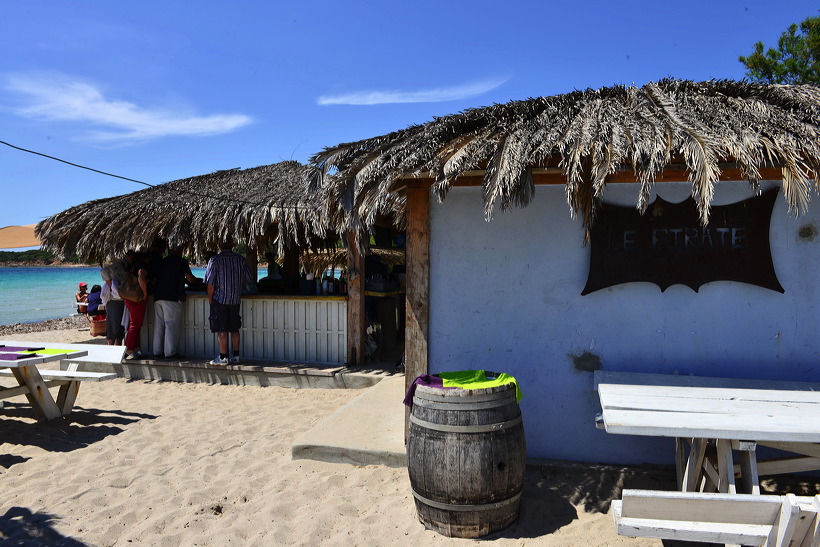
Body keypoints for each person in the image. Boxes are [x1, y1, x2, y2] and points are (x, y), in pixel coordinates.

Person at [204, 237, 253, 365]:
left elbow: (210, 283)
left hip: (219, 299)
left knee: (222, 329)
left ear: (219, 245)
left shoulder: (214, 260)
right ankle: (236, 356)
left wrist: (210, 298)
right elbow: (249, 279)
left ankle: (223, 356)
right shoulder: (240, 260)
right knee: (234, 329)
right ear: (233, 245)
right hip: (235, 299)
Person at [152, 246, 196, 359]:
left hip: (158, 296)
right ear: (179, 250)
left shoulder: (162, 262)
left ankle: (157, 351)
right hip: (172, 297)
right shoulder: (181, 261)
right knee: (171, 325)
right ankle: (170, 353)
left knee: (159, 326)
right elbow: (190, 279)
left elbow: (154, 280)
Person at [123, 251, 150, 360]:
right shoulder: (142, 266)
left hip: (128, 297)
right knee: (135, 325)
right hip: (137, 298)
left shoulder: (131, 265)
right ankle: (129, 348)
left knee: (136, 324)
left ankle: (136, 348)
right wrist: (145, 293)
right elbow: (141, 277)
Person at [100, 254, 128, 346]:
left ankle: (116, 348)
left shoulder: (125, 266)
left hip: (120, 299)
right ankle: (112, 348)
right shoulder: (119, 265)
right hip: (115, 300)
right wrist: (111, 284)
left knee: (119, 325)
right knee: (115, 324)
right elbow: (103, 271)